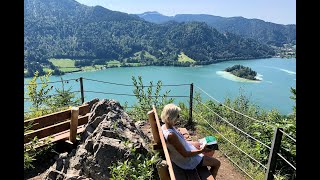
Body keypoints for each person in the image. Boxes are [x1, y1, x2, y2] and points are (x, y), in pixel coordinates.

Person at [161, 103, 221, 179]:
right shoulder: (171, 135)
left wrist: (193, 143)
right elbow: (185, 154)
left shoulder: (165, 127)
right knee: (217, 163)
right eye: (177, 116)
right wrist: (201, 150)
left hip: (184, 155)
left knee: (208, 150)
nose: (179, 118)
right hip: (188, 161)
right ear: (171, 118)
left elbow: (179, 145)